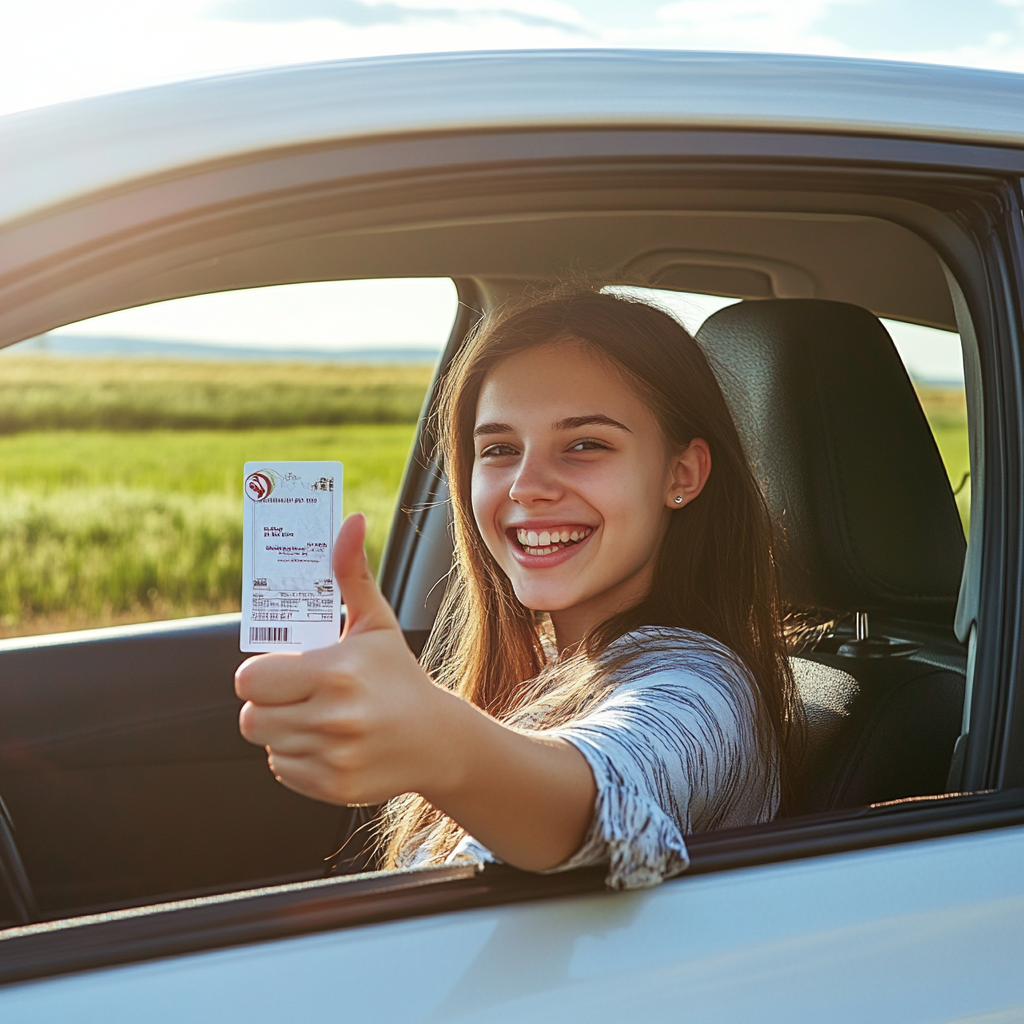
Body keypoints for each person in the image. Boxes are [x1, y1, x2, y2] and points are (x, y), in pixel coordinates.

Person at [235, 288, 798, 890]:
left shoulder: (701, 687)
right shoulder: (545, 665)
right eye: (500, 449)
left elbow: (604, 803)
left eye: (585, 444)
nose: (528, 486)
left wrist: (439, 741)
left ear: (680, 473)